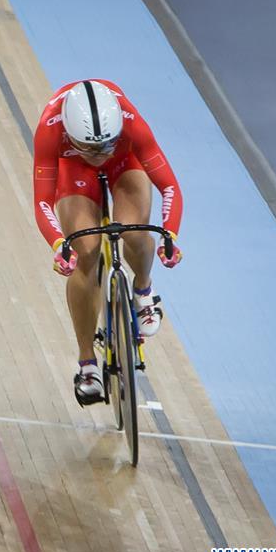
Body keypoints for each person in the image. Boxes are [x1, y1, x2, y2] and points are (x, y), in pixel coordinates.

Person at [32, 80, 184, 406]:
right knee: (84, 251)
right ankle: (87, 363)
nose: (99, 156)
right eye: (91, 147)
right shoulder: (49, 127)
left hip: (125, 161)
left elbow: (169, 186)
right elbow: (42, 201)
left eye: (104, 146)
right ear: (71, 135)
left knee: (134, 229)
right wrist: (60, 244)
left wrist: (169, 235)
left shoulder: (130, 121)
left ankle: (144, 290)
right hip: (74, 170)